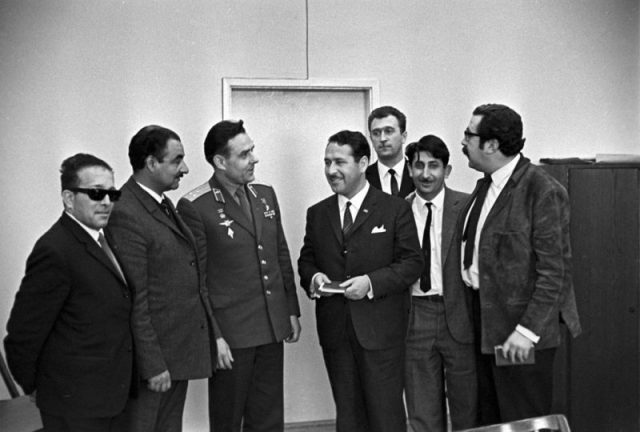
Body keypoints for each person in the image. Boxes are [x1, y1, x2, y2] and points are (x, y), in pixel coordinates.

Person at [460, 104, 581, 424]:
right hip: (485, 323)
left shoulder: (541, 190)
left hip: (520, 331)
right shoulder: (485, 184)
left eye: (469, 135)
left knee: (522, 419)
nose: (464, 143)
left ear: (492, 145)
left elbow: (554, 273)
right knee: (492, 417)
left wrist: (526, 332)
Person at [177, 120, 301, 432]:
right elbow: (197, 280)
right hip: (232, 335)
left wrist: (290, 310)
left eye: (252, 151)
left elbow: (279, 254)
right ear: (220, 162)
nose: (254, 159)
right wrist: (214, 335)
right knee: (228, 419)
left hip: (271, 326)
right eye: (244, 154)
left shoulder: (264, 194)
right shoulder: (195, 205)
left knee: (269, 419)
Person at [298, 130, 423, 432]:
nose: (331, 170)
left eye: (339, 162)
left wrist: (370, 283)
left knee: (386, 416)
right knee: (349, 417)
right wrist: (313, 277)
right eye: (326, 162)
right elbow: (307, 260)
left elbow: (411, 263)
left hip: (381, 333)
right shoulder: (318, 214)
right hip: (336, 332)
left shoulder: (394, 209)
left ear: (363, 162)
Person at [4, 153, 133, 432]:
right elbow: (21, 336)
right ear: (68, 198)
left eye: (112, 193)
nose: (107, 202)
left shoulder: (104, 239)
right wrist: (42, 389)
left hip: (112, 397)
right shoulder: (55, 249)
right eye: (97, 193)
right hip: (75, 404)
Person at [107, 125, 216, 432]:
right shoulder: (126, 212)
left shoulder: (161, 203)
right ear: (151, 163)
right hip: (153, 364)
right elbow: (134, 298)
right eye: (176, 159)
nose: (185, 168)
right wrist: (153, 364)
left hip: (176, 354)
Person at [403, 136, 477, 431]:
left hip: (458, 315)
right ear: (409, 170)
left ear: (447, 171)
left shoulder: (468, 206)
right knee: (421, 410)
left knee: (467, 405)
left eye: (434, 166)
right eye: (419, 166)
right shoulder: (397, 210)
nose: (425, 174)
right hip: (415, 315)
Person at [366, 105, 415, 198]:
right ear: (371, 139)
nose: (382, 138)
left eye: (389, 131)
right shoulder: (362, 178)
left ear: (403, 137)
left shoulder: (419, 174)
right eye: (376, 133)